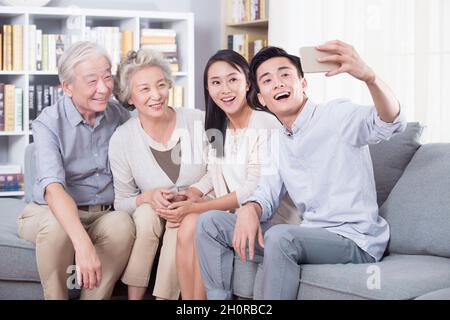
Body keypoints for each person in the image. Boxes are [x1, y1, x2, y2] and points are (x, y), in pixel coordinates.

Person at [195, 40, 407, 299]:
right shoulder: (278, 142)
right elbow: (266, 194)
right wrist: (250, 208)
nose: (279, 83)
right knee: (209, 223)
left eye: (285, 75)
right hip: (309, 235)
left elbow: (391, 122)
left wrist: (370, 78)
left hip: (354, 239)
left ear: (303, 84)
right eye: (268, 80)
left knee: (282, 237)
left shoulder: (336, 116)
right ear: (261, 97)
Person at [156, 50, 298, 300]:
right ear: (208, 89)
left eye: (232, 79)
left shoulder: (265, 124)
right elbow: (213, 173)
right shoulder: (218, 125)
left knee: (197, 221)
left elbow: (253, 189)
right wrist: (192, 193)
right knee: (188, 224)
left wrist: (200, 207)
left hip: (269, 218)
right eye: (216, 82)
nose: (225, 89)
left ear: (247, 83)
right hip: (231, 216)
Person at [17, 41, 135, 300]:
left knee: (122, 224)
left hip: (104, 213)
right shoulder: (48, 122)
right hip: (50, 212)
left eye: (107, 77)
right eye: (92, 81)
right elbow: (53, 189)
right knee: (58, 226)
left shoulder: (118, 115)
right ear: (67, 87)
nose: (103, 88)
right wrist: (82, 244)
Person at [109, 48, 207, 300]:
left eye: (161, 85)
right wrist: (147, 197)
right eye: (144, 89)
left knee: (180, 220)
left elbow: (218, 173)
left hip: (198, 206)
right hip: (152, 215)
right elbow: (121, 202)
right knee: (144, 214)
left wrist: (194, 194)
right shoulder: (122, 139)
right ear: (129, 97)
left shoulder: (198, 121)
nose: (156, 95)